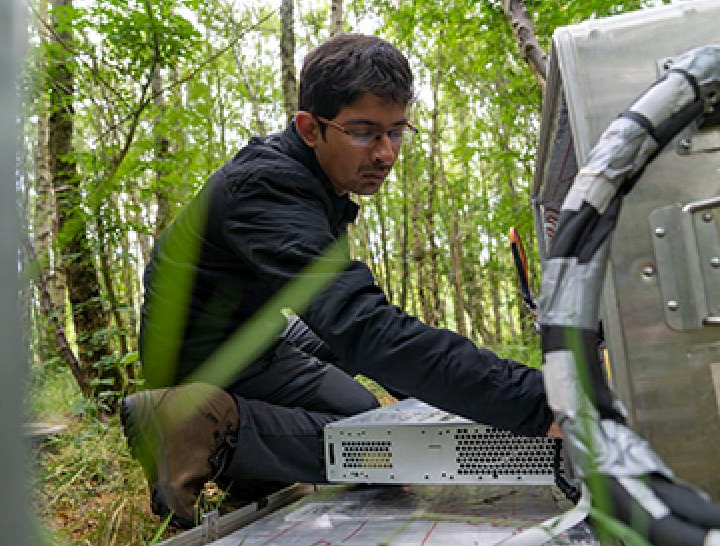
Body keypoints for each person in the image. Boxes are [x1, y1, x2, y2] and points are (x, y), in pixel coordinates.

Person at [121, 33, 557, 527]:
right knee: (372, 448)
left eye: (396, 131)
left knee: (359, 409)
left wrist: (428, 383)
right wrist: (538, 403)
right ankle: (188, 427)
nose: (386, 153)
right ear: (309, 128)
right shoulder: (266, 189)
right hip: (200, 358)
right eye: (365, 132)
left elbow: (342, 319)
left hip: (253, 339)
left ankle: (250, 472)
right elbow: (359, 324)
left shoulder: (314, 185)